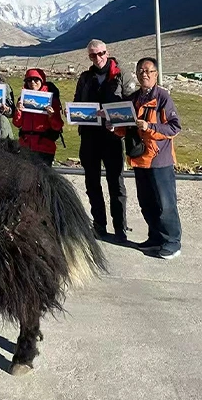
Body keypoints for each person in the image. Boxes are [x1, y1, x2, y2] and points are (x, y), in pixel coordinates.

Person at [114, 57, 182, 259]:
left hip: (160, 159)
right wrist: (115, 127)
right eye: (141, 71)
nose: (144, 74)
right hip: (140, 158)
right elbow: (126, 129)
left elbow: (174, 127)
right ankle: (155, 238)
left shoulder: (162, 97)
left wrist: (150, 127)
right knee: (147, 202)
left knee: (165, 203)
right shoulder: (134, 99)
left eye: (148, 71)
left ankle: (172, 242)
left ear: (156, 74)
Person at [74, 39, 137, 241]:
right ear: (89, 57)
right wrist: (78, 113)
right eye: (93, 55)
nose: (98, 58)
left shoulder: (122, 75)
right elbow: (77, 103)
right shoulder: (85, 78)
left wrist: (114, 119)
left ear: (107, 52)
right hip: (90, 136)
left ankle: (120, 227)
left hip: (113, 137)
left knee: (115, 183)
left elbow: (133, 105)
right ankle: (99, 225)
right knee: (92, 182)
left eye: (101, 53)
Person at [13, 68, 63, 165]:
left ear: (42, 81)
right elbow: (17, 124)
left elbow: (58, 126)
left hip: (45, 147)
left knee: (42, 178)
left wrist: (52, 116)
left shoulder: (52, 100)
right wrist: (18, 111)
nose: (32, 83)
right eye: (29, 80)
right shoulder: (22, 98)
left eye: (36, 80)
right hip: (25, 146)